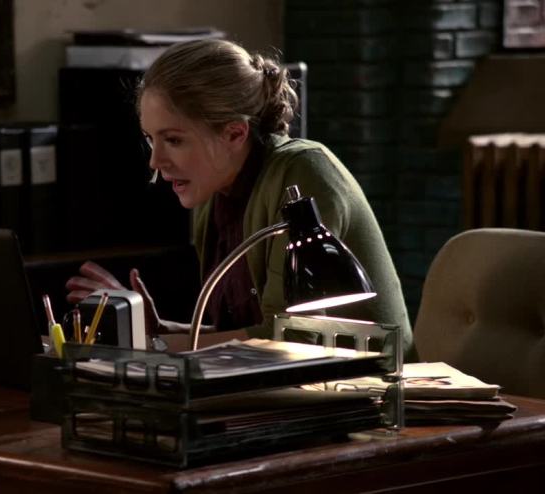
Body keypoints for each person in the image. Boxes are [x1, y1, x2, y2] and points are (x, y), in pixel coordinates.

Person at [66, 39, 413, 356]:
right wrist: (159, 330)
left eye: (173, 140)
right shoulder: (211, 196)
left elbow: (292, 339)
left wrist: (152, 345)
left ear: (234, 133)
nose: (155, 161)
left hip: (376, 389)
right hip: (286, 388)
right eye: (150, 139)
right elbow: (244, 336)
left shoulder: (303, 171)